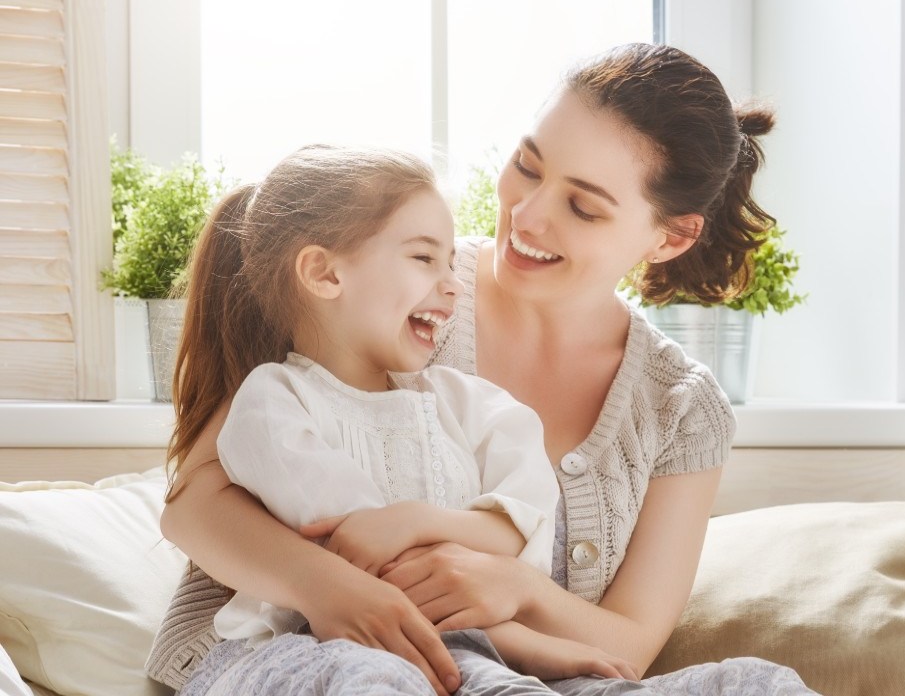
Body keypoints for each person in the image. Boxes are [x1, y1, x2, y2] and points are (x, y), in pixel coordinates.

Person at [149, 43, 818, 696]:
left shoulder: (680, 409)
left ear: (669, 237)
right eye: (527, 167)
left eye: (583, 207)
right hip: (287, 659)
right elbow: (193, 506)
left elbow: (625, 647)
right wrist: (335, 590)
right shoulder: (391, 290)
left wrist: (515, 586)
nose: (526, 215)